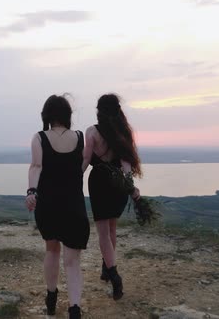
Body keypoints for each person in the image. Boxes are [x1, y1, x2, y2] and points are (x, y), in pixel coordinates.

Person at [26, 94, 90, 319]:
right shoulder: (81, 138)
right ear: (68, 115)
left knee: (52, 251)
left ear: (47, 115)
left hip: (48, 205)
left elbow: (35, 167)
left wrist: (31, 192)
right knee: (73, 262)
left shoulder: (39, 138)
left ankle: (51, 297)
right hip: (74, 206)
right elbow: (80, 167)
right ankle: (74, 308)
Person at [82, 93, 142, 300]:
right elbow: (126, 168)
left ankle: (114, 275)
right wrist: (131, 188)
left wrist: (69, 180)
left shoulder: (91, 132)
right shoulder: (123, 133)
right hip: (117, 186)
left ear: (99, 111)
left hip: (98, 183)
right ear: (117, 111)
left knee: (103, 233)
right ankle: (107, 268)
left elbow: (84, 162)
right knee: (112, 229)